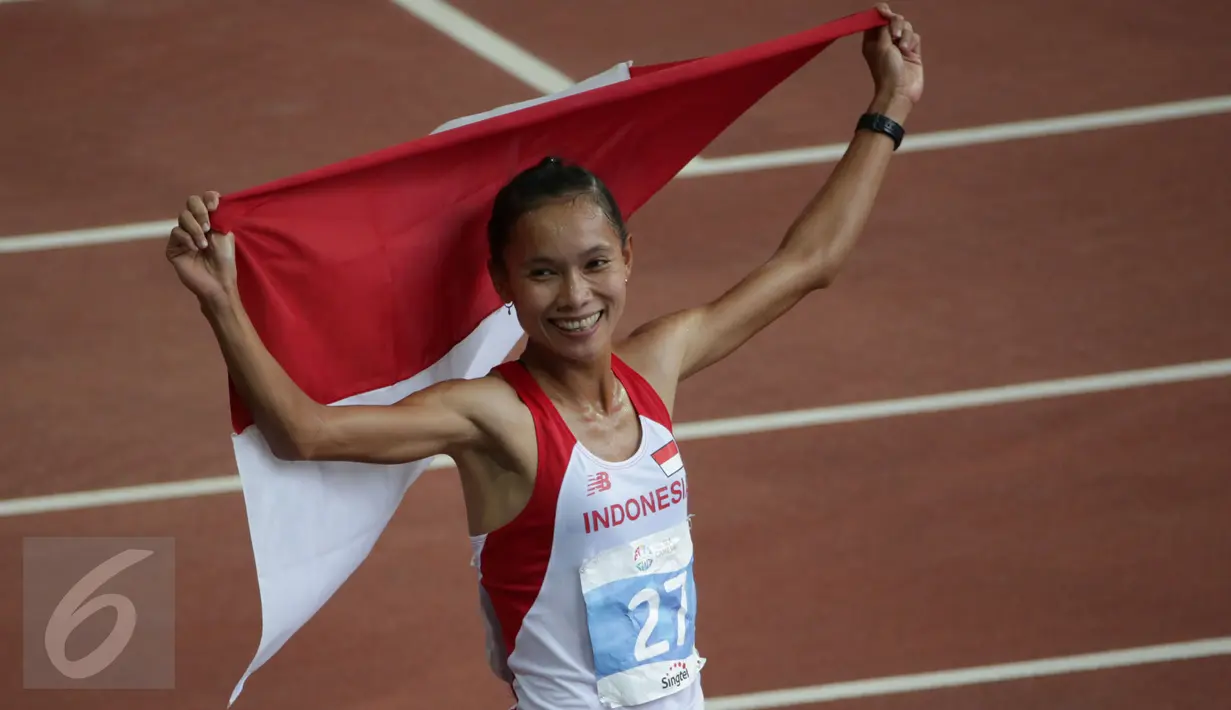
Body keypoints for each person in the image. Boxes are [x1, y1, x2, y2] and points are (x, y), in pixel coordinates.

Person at [165, 4, 922, 708]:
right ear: (502, 284)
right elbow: (307, 434)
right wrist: (222, 303)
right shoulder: (495, 416)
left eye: (594, 264)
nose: (574, 297)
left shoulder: (654, 367)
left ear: (627, 259)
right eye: (541, 272)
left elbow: (808, 263)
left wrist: (890, 104)